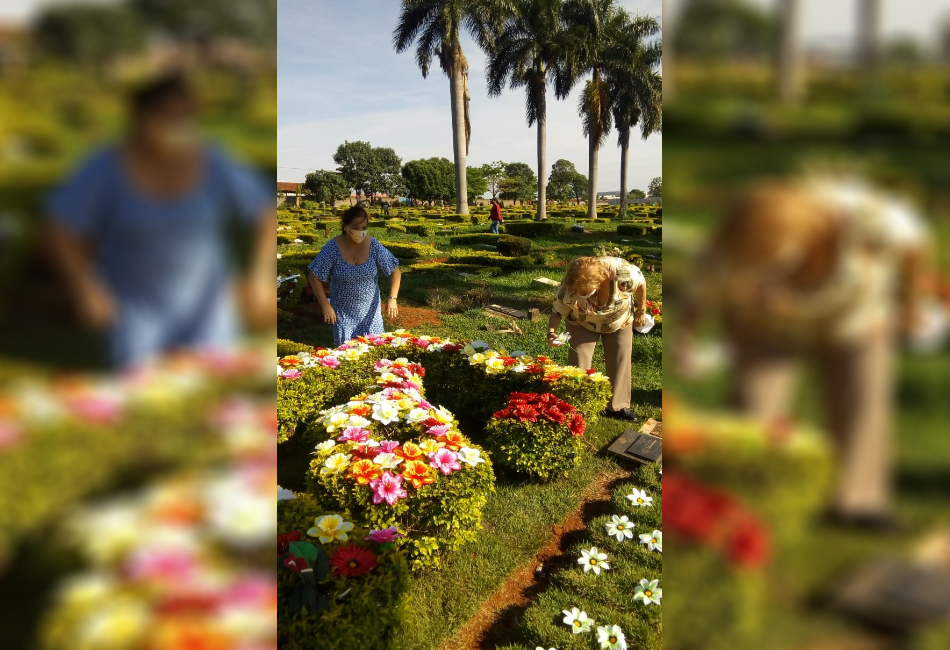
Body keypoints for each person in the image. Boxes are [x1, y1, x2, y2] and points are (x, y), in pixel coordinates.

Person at [675, 175, 930, 529]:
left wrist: (908, 305)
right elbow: (701, 289)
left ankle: (858, 504)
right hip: (771, 322)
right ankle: (741, 497)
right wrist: (685, 342)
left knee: (862, 400)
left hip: (855, 314)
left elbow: (912, 244)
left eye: (778, 259)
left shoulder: (865, 215)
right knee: (752, 404)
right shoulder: (737, 237)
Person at [46, 71, 275, 369]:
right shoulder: (107, 167)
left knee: (214, 400)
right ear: (142, 119)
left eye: (186, 116)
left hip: (209, 312)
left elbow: (264, 211)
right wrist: (86, 287)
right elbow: (62, 227)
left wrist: (260, 277)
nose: (179, 125)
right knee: (146, 402)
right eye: (168, 116)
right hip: (136, 316)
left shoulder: (211, 160)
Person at [548, 256, 648, 421]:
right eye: (578, 292)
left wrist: (641, 310)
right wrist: (551, 332)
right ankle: (577, 407)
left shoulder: (623, 274)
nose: (579, 294)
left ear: (599, 281)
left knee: (620, 359)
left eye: (585, 292)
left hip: (618, 320)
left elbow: (641, 283)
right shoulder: (568, 287)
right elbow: (558, 312)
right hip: (582, 321)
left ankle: (617, 406)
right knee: (579, 360)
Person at [307, 205, 402, 346]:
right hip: (344, 314)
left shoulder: (374, 246)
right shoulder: (333, 248)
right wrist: (325, 305)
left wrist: (392, 298)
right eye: (356, 227)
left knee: (375, 353)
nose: (361, 232)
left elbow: (395, 271)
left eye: (364, 228)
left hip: (371, 314)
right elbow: (314, 276)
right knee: (346, 355)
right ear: (345, 227)